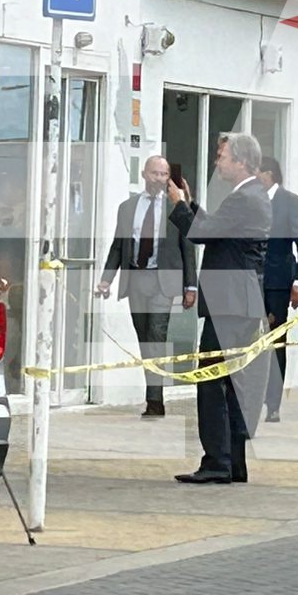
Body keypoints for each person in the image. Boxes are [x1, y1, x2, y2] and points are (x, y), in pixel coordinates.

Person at [167, 133, 271, 485]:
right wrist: (192, 204)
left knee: (212, 381)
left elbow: (200, 234)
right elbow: (215, 230)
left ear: (241, 161)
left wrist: (179, 205)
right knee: (231, 383)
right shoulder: (248, 196)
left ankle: (217, 461)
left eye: (223, 156)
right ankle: (233, 462)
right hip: (238, 302)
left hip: (230, 303)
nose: (218, 162)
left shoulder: (245, 198)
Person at [97, 155, 196, 418]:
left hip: (163, 282)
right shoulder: (127, 207)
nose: (160, 179)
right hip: (136, 280)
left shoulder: (176, 208)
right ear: (144, 174)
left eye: (164, 175)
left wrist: (191, 286)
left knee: (156, 336)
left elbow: (188, 247)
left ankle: (155, 401)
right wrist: (107, 279)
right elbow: (118, 246)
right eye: (155, 174)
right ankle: (153, 393)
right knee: (144, 338)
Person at [257, 156, 298, 424]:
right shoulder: (247, 200)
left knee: (275, 344)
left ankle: (273, 403)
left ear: (268, 175)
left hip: (278, 284)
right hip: (249, 282)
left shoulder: (290, 202)